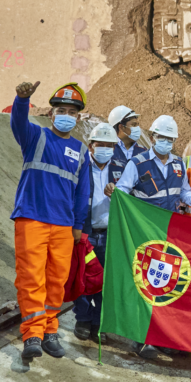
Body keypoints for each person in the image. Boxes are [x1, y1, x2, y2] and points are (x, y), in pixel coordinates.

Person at [11, 81, 91, 360]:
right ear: (51, 113)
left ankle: (50, 329)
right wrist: (22, 100)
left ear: (78, 117)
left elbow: (83, 193)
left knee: (56, 280)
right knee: (31, 276)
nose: (66, 114)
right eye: (61, 109)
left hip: (64, 225)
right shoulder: (36, 136)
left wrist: (78, 227)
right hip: (32, 217)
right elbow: (18, 123)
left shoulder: (81, 152)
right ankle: (32, 333)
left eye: (71, 111)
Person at [111, 114, 191, 358]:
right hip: (144, 232)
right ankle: (142, 337)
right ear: (153, 138)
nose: (167, 142)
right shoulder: (138, 163)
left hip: (169, 234)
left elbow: (184, 193)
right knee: (144, 283)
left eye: (171, 139)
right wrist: (116, 196)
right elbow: (123, 192)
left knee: (167, 284)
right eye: (163, 138)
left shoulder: (178, 164)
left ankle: (163, 336)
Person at [73, 123, 117, 343]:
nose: (106, 149)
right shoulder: (80, 167)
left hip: (109, 233)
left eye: (110, 146)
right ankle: (83, 318)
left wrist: (118, 193)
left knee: (104, 280)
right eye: (101, 145)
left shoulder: (120, 169)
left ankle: (99, 322)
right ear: (91, 146)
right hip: (86, 232)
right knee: (81, 277)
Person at [106, 106, 146, 185]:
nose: (138, 128)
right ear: (121, 127)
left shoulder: (143, 151)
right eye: (133, 125)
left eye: (137, 124)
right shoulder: (107, 150)